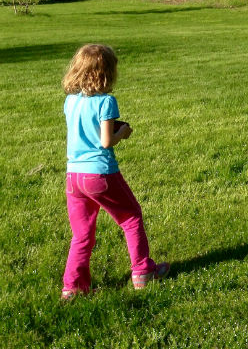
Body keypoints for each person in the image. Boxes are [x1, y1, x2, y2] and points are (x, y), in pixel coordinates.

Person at [60, 44, 169, 300]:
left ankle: (72, 288)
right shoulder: (107, 101)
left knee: (82, 234)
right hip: (100, 174)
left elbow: (85, 131)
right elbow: (106, 142)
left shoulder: (70, 101)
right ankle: (143, 271)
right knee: (131, 217)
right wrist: (123, 132)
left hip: (73, 177)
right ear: (107, 73)